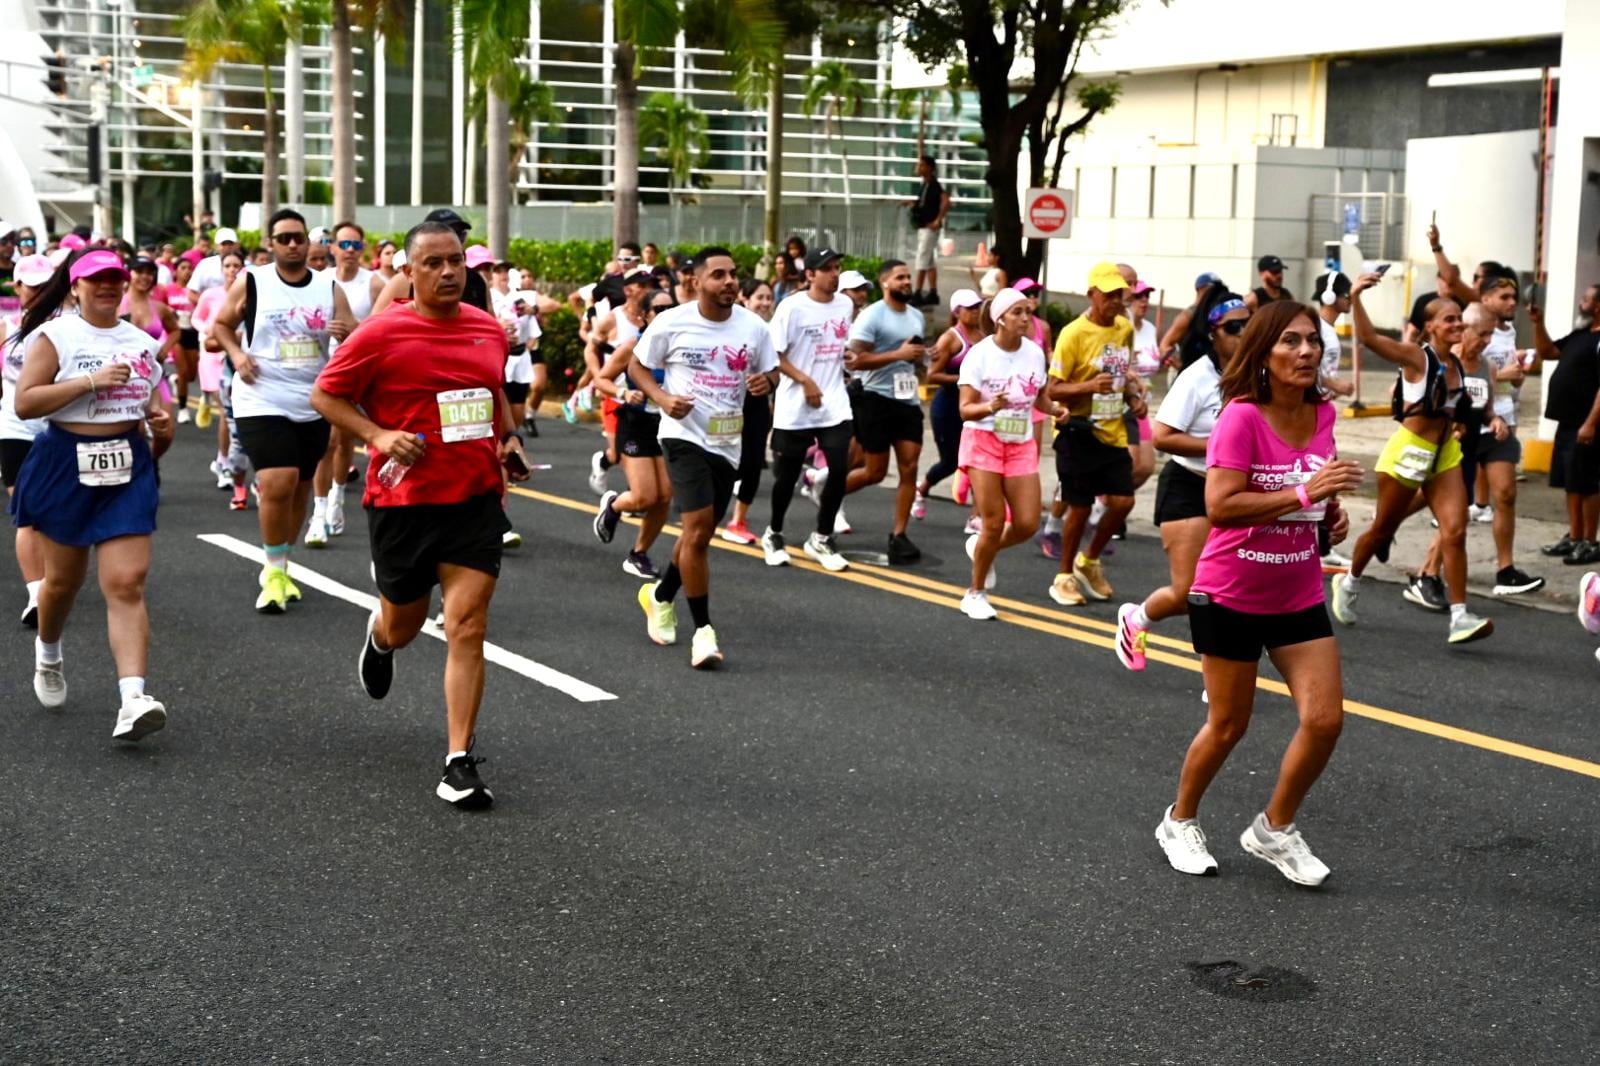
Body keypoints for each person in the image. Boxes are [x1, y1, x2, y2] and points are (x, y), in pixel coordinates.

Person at [312, 220, 530, 809]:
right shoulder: (382, 332)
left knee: (467, 625)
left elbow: (492, 393)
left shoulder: (487, 330)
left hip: (475, 500)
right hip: (403, 504)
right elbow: (325, 395)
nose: (448, 271)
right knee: (404, 626)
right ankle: (380, 638)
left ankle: (459, 761)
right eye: (432, 263)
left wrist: (508, 439)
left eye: (455, 260)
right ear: (408, 272)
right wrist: (378, 435)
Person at [1153, 300, 1361, 885]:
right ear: (1264, 353)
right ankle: (1179, 820)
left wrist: (1327, 515)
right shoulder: (1240, 416)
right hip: (1231, 592)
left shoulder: (1323, 413)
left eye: (1313, 341)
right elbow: (1220, 506)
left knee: (1325, 720)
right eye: (1291, 341)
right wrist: (1305, 493)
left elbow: (1311, 491)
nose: (1306, 351)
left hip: (1297, 591)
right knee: (1228, 724)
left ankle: (1274, 828)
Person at [9, 248, 176, 740]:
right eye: (95, 279)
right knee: (62, 584)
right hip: (65, 461)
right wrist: (89, 381)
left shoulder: (141, 343)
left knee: (127, 582)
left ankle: (133, 699)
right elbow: (25, 402)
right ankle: (48, 653)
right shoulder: (55, 336)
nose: (107, 286)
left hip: (127, 463)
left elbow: (150, 405)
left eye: (114, 279)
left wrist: (160, 424)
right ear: (75, 287)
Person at [626, 247, 779, 668]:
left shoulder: (754, 327)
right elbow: (636, 366)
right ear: (696, 282)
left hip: (728, 441)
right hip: (683, 436)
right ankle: (704, 633)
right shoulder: (672, 322)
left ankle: (659, 595)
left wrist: (767, 383)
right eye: (718, 275)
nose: (729, 281)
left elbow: (772, 370)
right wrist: (662, 398)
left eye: (733, 274)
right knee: (696, 531)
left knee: (701, 533)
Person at [1331, 273, 1492, 644]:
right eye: (1449, 319)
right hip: (1408, 453)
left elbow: (1454, 408)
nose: (1457, 324)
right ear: (1430, 326)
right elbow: (1369, 338)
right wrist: (1356, 297)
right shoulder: (1417, 357)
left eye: (1459, 319)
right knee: (1382, 530)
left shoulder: (1457, 363)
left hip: (1444, 455)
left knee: (1455, 530)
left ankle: (1460, 617)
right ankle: (1349, 581)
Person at [210, 208, 358, 614]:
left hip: (313, 399)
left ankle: (281, 562)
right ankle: (274, 572)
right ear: (270, 243)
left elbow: (355, 331)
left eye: (298, 238)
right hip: (261, 395)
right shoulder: (253, 281)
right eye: (284, 238)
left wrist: (347, 331)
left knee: (301, 487)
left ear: (308, 243)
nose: (293, 244)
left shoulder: (328, 287)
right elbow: (220, 326)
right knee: (278, 480)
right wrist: (237, 354)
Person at [1115, 295, 1251, 670]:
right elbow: (1162, 437)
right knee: (1192, 592)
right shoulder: (1197, 377)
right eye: (1234, 327)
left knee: (1236, 590)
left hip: (1237, 490)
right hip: (1189, 485)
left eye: (1249, 325)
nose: (1243, 333)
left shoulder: (1260, 376)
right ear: (1214, 334)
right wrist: (1221, 447)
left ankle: (1222, 678)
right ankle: (1137, 618)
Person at [1045, 262, 1145, 606]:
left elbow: (1120, 376)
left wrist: (1133, 399)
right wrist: (1088, 386)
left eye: (1120, 294)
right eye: (1109, 294)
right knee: (1080, 507)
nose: (1117, 301)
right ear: (1092, 295)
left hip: (1111, 428)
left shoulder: (1124, 328)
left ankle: (1088, 562)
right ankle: (1063, 576)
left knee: (1124, 501)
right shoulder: (1073, 334)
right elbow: (1052, 389)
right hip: (1077, 429)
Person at [757, 247, 854, 572]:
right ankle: (774, 533)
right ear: (810, 274)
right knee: (786, 477)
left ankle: (821, 538)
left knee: (838, 470)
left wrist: (847, 358)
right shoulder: (792, 307)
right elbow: (775, 354)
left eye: (837, 267)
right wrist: (805, 380)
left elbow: (838, 346)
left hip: (834, 403)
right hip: (795, 406)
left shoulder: (845, 305)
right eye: (828, 268)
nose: (835, 274)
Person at [956, 288, 1049, 619]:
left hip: (1020, 441)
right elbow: (965, 409)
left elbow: (1039, 396)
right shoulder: (979, 355)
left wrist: (1056, 410)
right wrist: (989, 406)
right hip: (983, 439)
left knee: (1027, 523)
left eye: (1028, 312)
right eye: (1017, 312)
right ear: (1000, 319)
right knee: (993, 522)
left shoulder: (1034, 353)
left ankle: (982, 547)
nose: (1025, 318)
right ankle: (975, 593)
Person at [844, 259, 926, 564]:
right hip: (875, 399)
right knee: (874, 472)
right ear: (885, 283)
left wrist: (922, 358)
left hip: (907, 401)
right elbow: (854, 359)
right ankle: (830, 496)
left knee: (910, 466)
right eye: (900, 277)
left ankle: (899, 534)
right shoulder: (872, 316)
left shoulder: (916, 316)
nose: (907, 282)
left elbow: (914, 358)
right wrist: (898, 354)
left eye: (908, 277)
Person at [592, 291, 677, 579]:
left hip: (665, 426)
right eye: (659, 309)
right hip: (635, 424)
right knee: (644, 497)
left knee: (664, 497)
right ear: (644, 316)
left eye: (671, 307)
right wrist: (623, 392)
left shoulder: (680, 345)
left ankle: (638, 554)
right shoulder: (632, 346)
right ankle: (614, 505)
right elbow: (601, 379)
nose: (666, 313)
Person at [306, 220, 376, 549]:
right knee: (326, 442)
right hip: (322, 368)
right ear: (332, 248)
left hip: (356, 370)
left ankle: (337, 496)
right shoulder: (320, 281)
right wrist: (324, 330)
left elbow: (381, 330)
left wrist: (353, 329)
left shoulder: (373, 283)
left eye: (355, 245)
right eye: (343, 244)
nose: (349, 251)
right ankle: (319, 513)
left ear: (363, 249)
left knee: (344, 439)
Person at [1, 254, 56, 626]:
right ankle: (37, 594)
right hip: (15, 426)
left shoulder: (68, 328)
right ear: (17, 286)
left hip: (58, 428)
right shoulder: (5, 327)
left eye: (45, 286)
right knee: (27, 509)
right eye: (31, 286)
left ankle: (55, 579)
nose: (38, 293)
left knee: (52, 512)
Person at [1535, 283, 1600, 565]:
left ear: (1598, 307)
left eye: (1586, 299)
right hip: (1567, 423)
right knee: (1571, 482)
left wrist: (1591, 424)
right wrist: (1537, 323)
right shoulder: (1581, 334)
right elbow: (1547, 351)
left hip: (1586, 425)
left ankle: (1590, 541)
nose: (1580, 303)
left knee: (1587, 484)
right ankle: (1574, 536)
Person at [915, 289, 985, 518]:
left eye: (977, 307)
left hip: (973, 409)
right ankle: (922, 489)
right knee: (951, 461)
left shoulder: (984, 337)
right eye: (970, 308)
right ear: (957, 312)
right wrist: (965, 381)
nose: (975, 312)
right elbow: (932, 375)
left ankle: (976, 516)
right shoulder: (950, 339)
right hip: (947, 408)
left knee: (977, 461)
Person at [721, 277, 777, 545]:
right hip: (723, 401)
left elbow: (775, 370)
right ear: (745, 298)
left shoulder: (769, 329)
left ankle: (737, 522)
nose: (765, 303)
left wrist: (768, 383)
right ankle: (702, 510)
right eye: (759, 298)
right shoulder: (729, 324)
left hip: (755, 402)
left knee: (753, 463)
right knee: (721, 460)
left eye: (769, 298)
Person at [191, 249, 247, 501]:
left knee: (234, 415)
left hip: (238, 356)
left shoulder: (248, 294)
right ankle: (225, 462)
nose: (232, 270)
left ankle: (227, 460)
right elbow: (197, 318)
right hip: (213, 355)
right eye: (228, 266)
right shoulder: (211, 295)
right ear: (222, 269)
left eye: (236, 265)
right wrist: (208, 331)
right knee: (225, 413)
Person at [373, 210, 492, 315]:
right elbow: (376, 324)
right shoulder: (402, 282)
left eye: (460, 234)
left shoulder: (478, 281)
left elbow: (490, 322)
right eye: (433, 264)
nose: (451, 239)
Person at [903, 155, 950, 306]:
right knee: (928, 261)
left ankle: (917, 292)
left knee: (922, 259)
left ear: (929, 168)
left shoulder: (934, 185)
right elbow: (924, 203)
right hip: (924, 227)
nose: (919, 168)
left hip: (929, 227)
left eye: (922, 165)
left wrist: (938, 220)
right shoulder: (925, 184)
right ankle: (933, 292)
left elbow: (946, 201)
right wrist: (911, 203)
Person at [1311, 272, 1356, 401]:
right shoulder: (1316, 329)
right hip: (1308, 404)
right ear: (1329, 296)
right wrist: (1333, 385)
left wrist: (1333, 389)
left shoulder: (1327, 329)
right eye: (1347, 295)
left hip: (1320, 401)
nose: (1351, 300)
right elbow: (1301, 368)